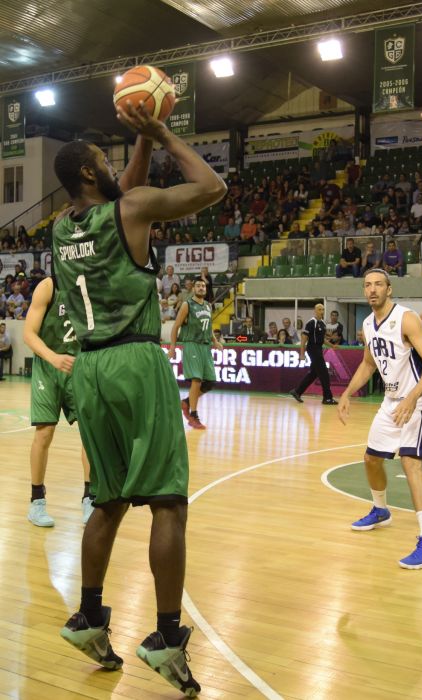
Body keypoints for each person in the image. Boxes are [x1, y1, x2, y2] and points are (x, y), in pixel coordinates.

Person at [51, 99, 226, 695]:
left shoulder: (61, 227)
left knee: (107, 500)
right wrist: (163, 133)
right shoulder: (130, 209)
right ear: (87, 173)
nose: (113, 167)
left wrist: (140, 146)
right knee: (168, 503)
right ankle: (167, 637)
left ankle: (88, 616)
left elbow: (120, 191)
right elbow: (212, 187)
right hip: (136, 361)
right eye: (103, 161)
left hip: (89, 369)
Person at [337, 269, 422, 569]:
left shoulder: (406, 319)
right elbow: (368, 364)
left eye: (378, 284)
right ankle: (381, 510)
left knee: (410, 463)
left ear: (389, 289)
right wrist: (346, 393)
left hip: (420, 399)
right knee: (371, 459)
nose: (372, 290)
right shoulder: (368, 324)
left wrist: (412, 398)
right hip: (392, 401)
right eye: (367, 285)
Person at [22, 277, 93, 527]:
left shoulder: (90, 283)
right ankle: (36, 501)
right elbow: (28, 334)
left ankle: (90, 498)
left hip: (79, 367)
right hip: (49, 367)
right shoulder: (48, 286)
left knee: (90, 434)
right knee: (44, 433)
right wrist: (53, 357)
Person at [169, 279, 223, 430]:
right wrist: (172, 347)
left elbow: (208, 326)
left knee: (210, 382)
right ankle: (193, 416)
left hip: (205, 346)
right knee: (197, 380)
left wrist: (215, 341)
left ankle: (186, 403)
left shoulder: (207, 305)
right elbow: (176, 326)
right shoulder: (187, 305)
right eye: (198, 286)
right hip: (192, 344)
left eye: (203, 286)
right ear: (193, 289)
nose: (201, 288)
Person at [289, 303, 337, 405]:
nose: (322, 311)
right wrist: (302, 354)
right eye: (319, 309)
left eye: (323, 309)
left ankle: (297, 391)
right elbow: (304, 339)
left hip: (319, 349)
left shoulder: (322, 323)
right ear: (314, 311)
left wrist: (332, 346)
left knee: (314, 373)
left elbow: (322, 339)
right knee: (324, 373)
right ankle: (327, 398)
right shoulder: (311, 323)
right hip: (313, 349)